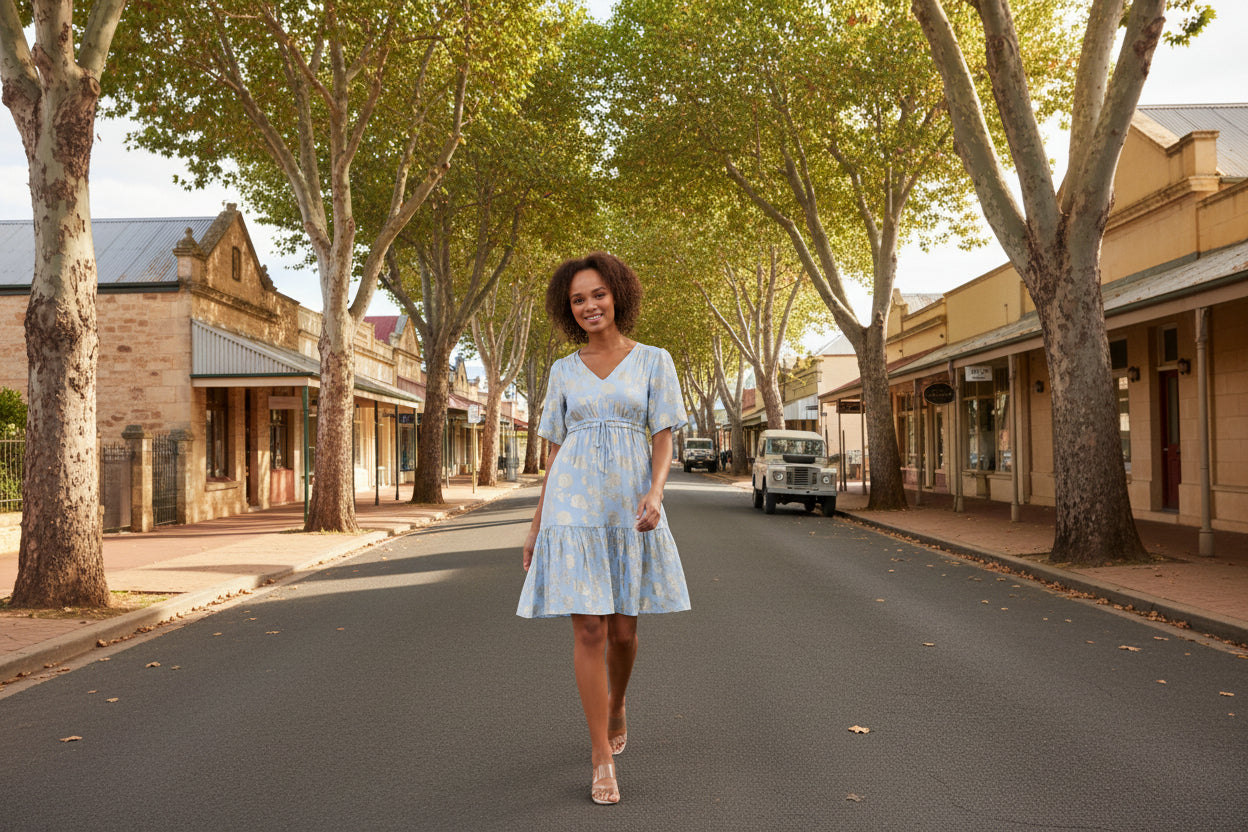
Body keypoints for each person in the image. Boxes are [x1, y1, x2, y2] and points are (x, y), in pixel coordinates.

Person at [517, 252, 690, 806]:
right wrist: (536, 524)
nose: (590, 305)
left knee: (622, 632)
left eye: (597, 294)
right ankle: (600, 755)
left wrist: (656, 490)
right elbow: (554, 451)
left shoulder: (654, 361)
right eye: (577, 299)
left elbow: (663, 434)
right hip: (572, 508)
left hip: (627, 504)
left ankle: (617, 702)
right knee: (588, 629)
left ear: (617, 295)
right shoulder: (562, 371)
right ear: (568, 310)